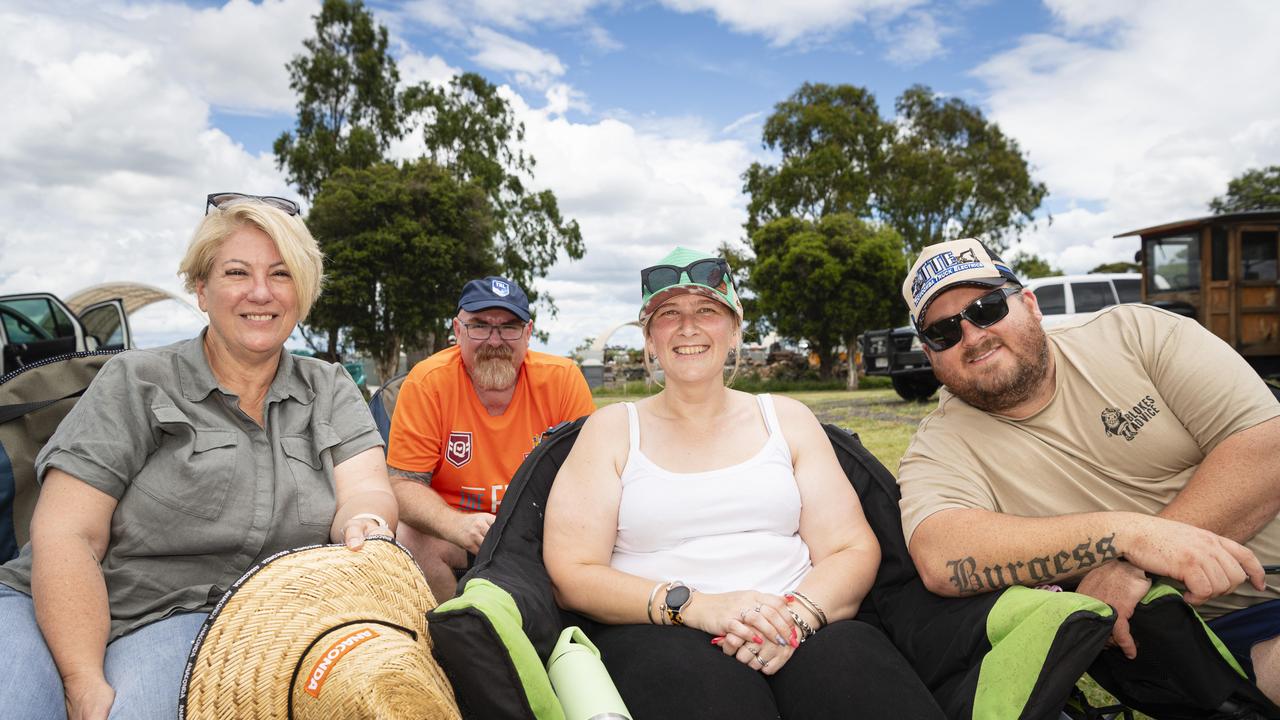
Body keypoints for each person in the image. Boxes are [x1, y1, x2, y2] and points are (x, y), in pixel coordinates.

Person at [0, 192, 397, 720]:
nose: (261, 292)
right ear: (201, 289)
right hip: (59, 596)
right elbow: (68, 533)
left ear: (303, 292)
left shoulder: (330, 387)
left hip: (199, 620)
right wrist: (81, 679)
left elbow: (365, 491)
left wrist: (366, 523)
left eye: (281, 274)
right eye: (237, 272)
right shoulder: (136, 380)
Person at [542, 247, 944, 719]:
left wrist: (795, 618)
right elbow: (573, 572)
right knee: (707, 695)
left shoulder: (787, 419)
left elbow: (850, 548)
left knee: (863, 680)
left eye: (707, 310)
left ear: (734, 330)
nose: (688, 327)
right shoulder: (611, 429)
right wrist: (695, 607)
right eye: (668, 314)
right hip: (662, 630)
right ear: (649, 340)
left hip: (803, 619)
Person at [896, 237, 1280, 700]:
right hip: (1209, 637)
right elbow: (941, 555)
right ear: (929, 354)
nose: (973, 336)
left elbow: (1266, 447)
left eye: (987, 307)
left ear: (1031, 304)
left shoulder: (1135, 334)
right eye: (944, 331)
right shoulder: (940, 444)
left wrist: (1136, 561)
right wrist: (1125, 535)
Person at [387, 276, 595, 601]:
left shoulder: (562, 379)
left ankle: (552, 635)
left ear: (528, 333)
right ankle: (452, 633)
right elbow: (402, 486)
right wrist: (456, 524)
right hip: (461, 533)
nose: (495, 340)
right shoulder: (427, 382)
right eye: (479, 326)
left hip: (540, 534)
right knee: (408, 537)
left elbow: (589, 482)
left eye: (509, 327)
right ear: (457, 330)